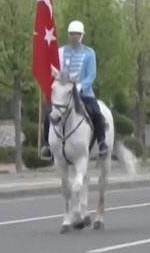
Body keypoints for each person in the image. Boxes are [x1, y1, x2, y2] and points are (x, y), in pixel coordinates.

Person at [40, 20, 108, 159]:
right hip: (64, 93)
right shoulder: (61, 52)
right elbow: (57, 72)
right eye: (71, 34)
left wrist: (80, 86)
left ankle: (101, 143)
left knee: (97, 113)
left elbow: (91, 75)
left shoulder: (89, 53)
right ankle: (48, 145)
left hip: (84, 93)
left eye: (76, 34)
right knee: (49, 114)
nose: (74, 37)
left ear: (81, 35)